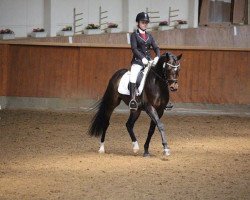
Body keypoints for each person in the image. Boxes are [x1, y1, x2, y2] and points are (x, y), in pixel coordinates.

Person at [129, 12, 160, 110]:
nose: (145, 24)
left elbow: (156, 47)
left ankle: (162, 99)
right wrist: (142, 58)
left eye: (146, 22)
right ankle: (133, 99)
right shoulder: (134, 35)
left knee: (160, 74)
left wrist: (157, 56)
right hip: (138, 61)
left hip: (149, 62)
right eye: (143, 22)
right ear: (138, 23)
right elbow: (134, 49)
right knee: (133, 76)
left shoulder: (149, 36)